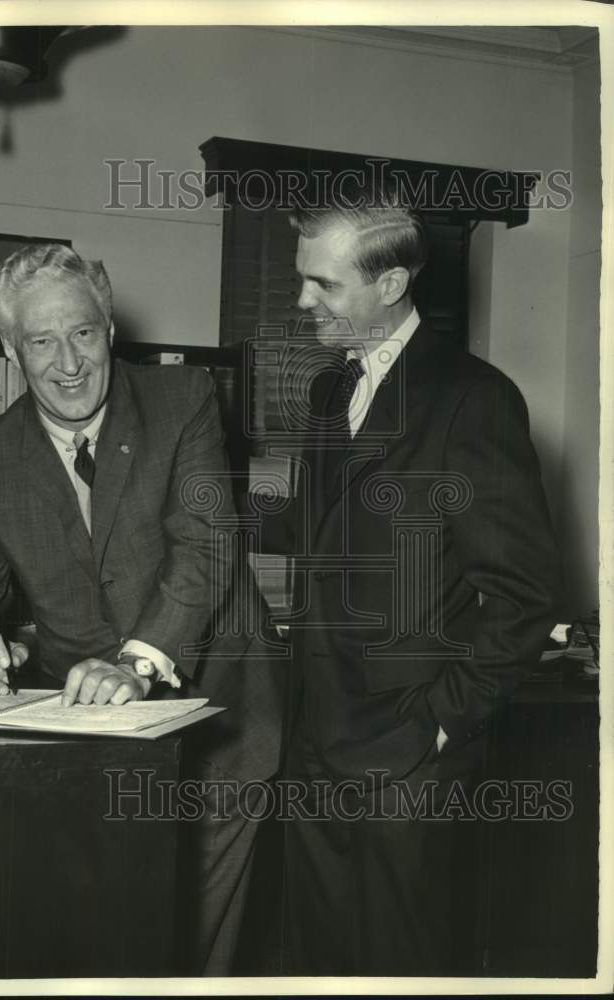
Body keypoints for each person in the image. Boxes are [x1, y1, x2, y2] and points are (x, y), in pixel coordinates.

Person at [0, 243, 284, 975]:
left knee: (194, 931)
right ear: (9, 349)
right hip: (89, 728)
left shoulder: (183, 403)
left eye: (83, 333)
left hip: (223, 703)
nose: (68, 362)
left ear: (110, 327)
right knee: (107, 921)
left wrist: (137, 661)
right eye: (41, 340)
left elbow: (207, 545)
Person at [270, 189, 560, 975]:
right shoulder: (332, 392)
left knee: (406, 971)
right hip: (317, 747)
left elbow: (526, 599)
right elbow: (318, 534)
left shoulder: (473, 399)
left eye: (321, 284)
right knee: (320, 968)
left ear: (391, 285)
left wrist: (434, 727)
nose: (302, 301)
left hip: (411, 763)